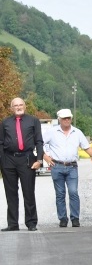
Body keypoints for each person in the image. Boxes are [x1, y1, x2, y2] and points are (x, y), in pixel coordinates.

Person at [42, 108, 92, 228]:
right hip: (56, 165)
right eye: (64, 118)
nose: (67, 120)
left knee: (73, 192)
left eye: (68, 118)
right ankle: (62, 218)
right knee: (60, 194)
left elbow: (87, 147)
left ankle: (75, 218)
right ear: (59, 119)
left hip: (72, 166)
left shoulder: (77, 132)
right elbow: (39, 143)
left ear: (71, 118)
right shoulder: (52, 132)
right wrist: (45, 156)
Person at [1, 97, 44, 231]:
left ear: (24, 106)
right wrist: (2, 161)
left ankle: (31, 223)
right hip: (9, 159)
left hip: (27, 159)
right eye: (15, 105)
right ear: (11, 108)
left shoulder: (33, 121)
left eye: (20, 105)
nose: (18, 107)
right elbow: (1, 142)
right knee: (11, 193)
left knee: (29, 192)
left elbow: (39, 141)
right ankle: (13, 224)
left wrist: (39, 160)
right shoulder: (5, 122)